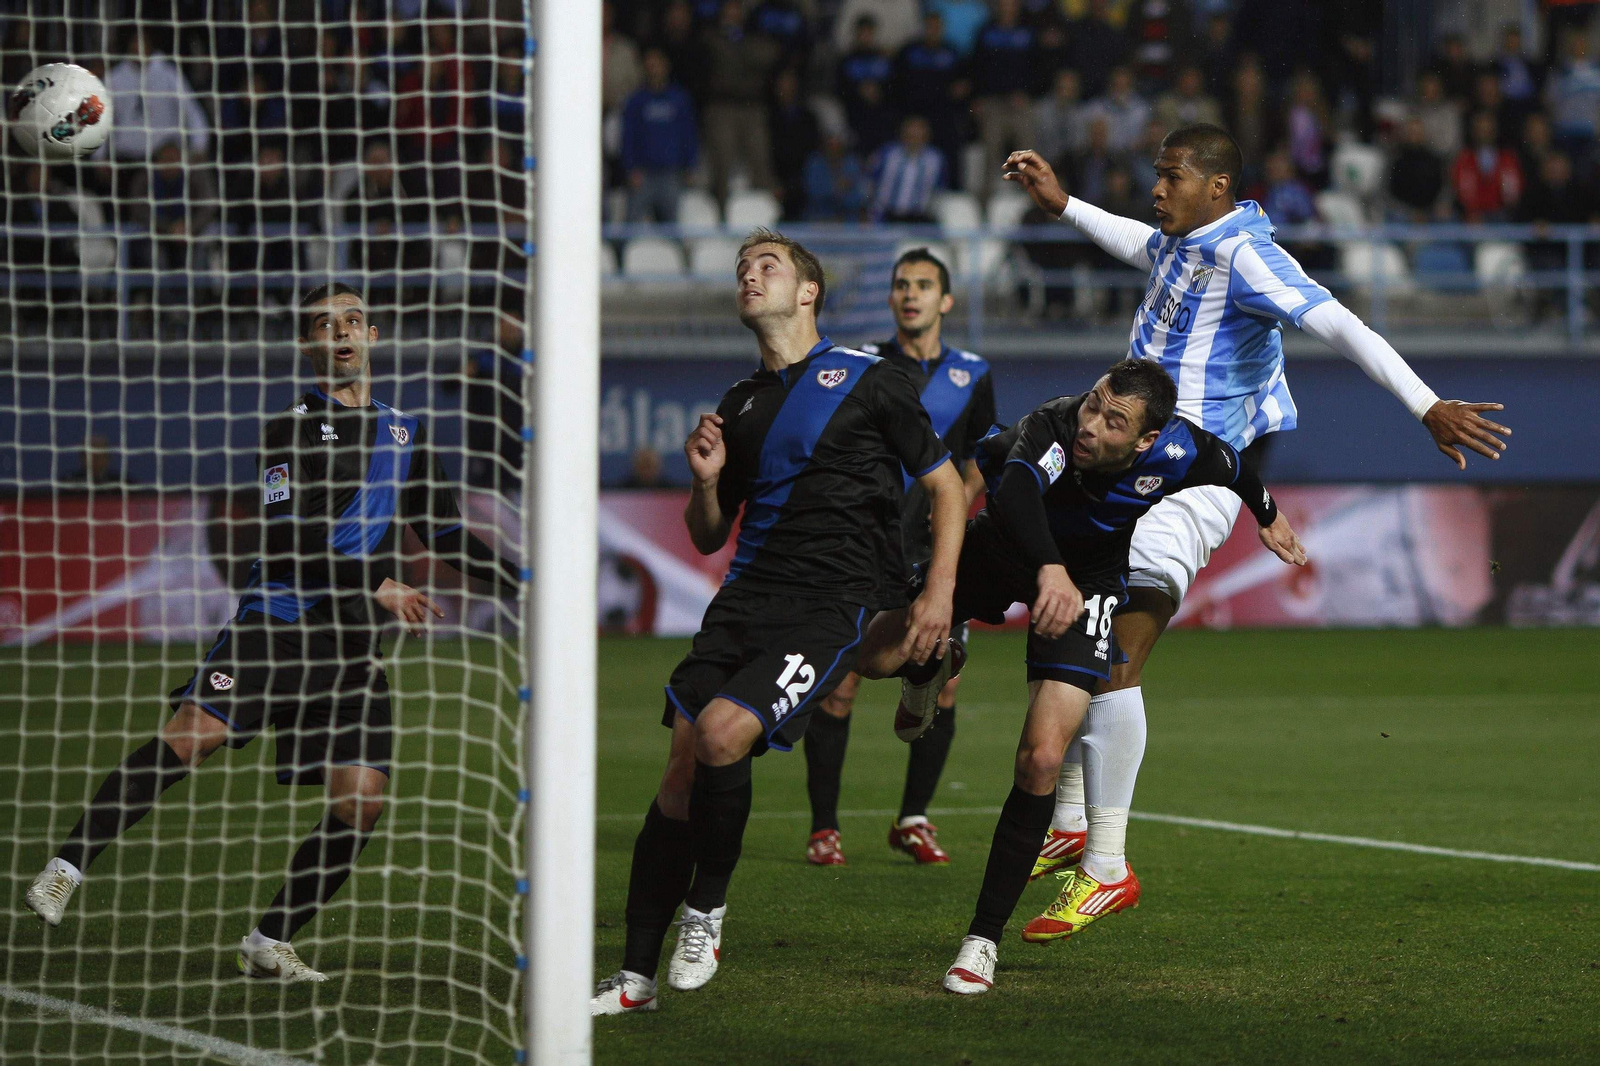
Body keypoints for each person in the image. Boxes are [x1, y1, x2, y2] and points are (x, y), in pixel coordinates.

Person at [1000, 126, 1511, 927]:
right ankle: (1069, 830)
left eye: (1171, 176)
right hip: (1132, 468)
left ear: (1218, 187)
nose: (1157, 189)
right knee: (1082, 637)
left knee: (1115, 653)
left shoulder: (1247, 255)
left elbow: (1340, 323)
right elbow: (1142, 245)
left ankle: (1105, 862)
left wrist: (1425, 403)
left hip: (1191, 479)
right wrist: (1064, 206)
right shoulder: (1182, 240)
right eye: (1157, 174)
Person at [24, 283, 521, 981]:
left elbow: (443, 533)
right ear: (308, 345)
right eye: (325, 324)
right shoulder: (290, 428)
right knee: (191, 737)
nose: (341, 333)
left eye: (352, 320)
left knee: (362, 799)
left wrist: (526, 581)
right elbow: (287, 534)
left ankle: (269, 940)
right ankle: (64, 867)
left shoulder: (407, 433)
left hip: (352, 648)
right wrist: (375, 584)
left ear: (373, 335)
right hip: (278, 625)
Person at [590, 229, 968, 1015]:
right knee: (680, 775)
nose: (748, 275)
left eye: (767, 265)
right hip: (743, 602)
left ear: (808, 293)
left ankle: (707, 912)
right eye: (741, 268)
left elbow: (946, 489)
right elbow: (706, 534)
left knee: (727, 734)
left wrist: (937, 593)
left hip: (832, 603)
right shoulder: (738, 405)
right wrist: (705, 481)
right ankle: (633, 979)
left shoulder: (872, 378)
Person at [851, 358, 1307, 993]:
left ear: (1148, 440)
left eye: (1113, 419)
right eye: (1094, 403)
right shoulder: (1053, 429)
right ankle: (932, 662)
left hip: (1088, 584)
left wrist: (1267, 515)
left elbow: (1231, 467)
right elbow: (1011, 492)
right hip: (1004, 551)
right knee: (872, 659)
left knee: (1040, 760)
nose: (1092, 422)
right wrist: (1046, 567)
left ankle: (982, 941)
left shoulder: (1178, 452)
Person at [802, 248, 996, 867]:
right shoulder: (863, 368)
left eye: (923, 285)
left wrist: (950, 530)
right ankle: (824, 828)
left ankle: (913, 818)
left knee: (939, 690)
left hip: (936, 559)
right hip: (869, 553)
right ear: (890, 299)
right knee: (840, 687)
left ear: (946, 301)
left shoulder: (973, 373)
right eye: (901, 285)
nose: (910, 294)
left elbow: (977, 466)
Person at [619, 47, 699, 223]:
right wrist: (631, 167)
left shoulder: (679, 99)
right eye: (650, 65)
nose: (654, 69)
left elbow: (688, 133)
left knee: (672, 225)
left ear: (666, 66)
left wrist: (690, 164)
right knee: (631, 222)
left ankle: (676, 252)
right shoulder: (636, 100)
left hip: (671, 173)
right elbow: (628, 136)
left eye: (657, 64)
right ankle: (622, 251)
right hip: (643, 174)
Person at [868, 114, 946, 223]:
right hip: (886, 215)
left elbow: (939, 189)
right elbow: (870, 180)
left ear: (926, 136)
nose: (914, 140)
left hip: (918, 217)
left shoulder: (935, 159)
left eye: (918, 136)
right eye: (910, 136)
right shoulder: (887, 153)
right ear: (903, 134)